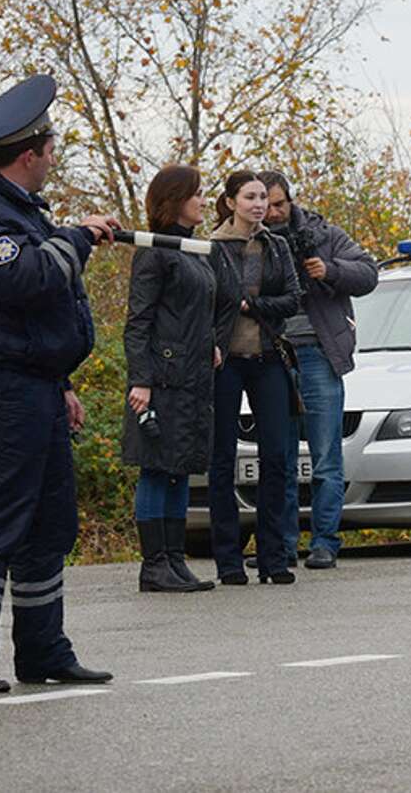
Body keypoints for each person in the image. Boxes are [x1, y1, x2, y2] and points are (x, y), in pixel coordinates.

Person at [0, 75, 119, 694]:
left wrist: (61, 382)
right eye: (51, 149)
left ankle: (42, 651)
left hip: (37, 385)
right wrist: (76, 239)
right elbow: (31, 281)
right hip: (1, 387)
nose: (54, 159)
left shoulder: (21, 215)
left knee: (49, 524)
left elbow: (41, 317)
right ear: (30, 153)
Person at [123, 165, 235, 594]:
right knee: (156, 469)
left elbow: (212, 305)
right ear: (175, 198)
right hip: (162, 378)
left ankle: (174, 560)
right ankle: (154, 565)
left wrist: (213, 342)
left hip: (194, 377)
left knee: (181, 469)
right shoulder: (155, 251)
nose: (204, 201)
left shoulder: (194, 249)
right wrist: (141, 380)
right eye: (198, 194)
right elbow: (138, 322)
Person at [259, 172, 378, 570]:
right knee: (281, 456)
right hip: (273, 354)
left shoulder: (323, 234)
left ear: (290, 200)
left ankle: (325, 541)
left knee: (325, 455)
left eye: (279, 203)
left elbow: (368, 273)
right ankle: (284, 543)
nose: (273, 212)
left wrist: (329, 270)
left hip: (318, 352)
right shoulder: (252, 240)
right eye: (266, 204)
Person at [206, 171, 303, 585]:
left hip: (268, 356)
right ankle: (228, 560)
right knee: (222, 458)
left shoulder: (277, 245)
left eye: (263, 196)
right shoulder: (210, 247)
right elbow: (203, 302)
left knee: (278, 458)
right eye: (250, 196)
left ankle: (273, 557)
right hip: (225, 360)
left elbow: (293, 299)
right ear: (231, 202)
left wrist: (253, 304)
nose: (260, 204)